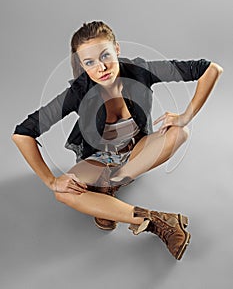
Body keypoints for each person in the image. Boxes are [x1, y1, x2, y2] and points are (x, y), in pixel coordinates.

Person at [12, 21, 223, 260]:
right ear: (82, 65)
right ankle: (158, 221)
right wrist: (51, 181)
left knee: (180, 133)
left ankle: (108, 189)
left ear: (117, 49)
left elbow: (210, 69)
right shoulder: (78, 92)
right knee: (63, 193)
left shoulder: (140, 71)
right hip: (99, 160)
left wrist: (186, 116)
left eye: (105, 56)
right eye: (89, 62)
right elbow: (22, 133)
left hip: (137, 152)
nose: (101, 67)